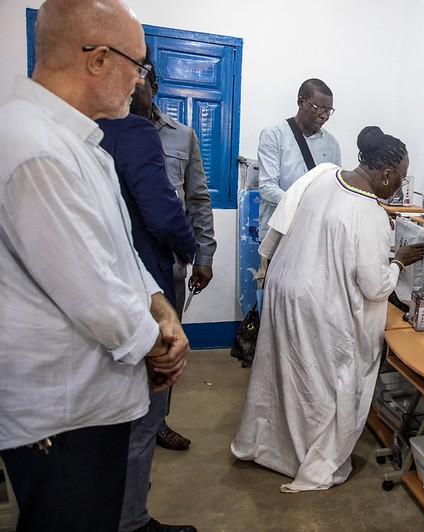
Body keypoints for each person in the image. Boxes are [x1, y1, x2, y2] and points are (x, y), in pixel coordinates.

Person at [0, 1, 189, 531]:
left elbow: (120, 255)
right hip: (62, 418)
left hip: (93, 404)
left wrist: (159, 305)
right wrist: (162, 349)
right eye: (140, 65)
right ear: (100, 60)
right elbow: (95, 297)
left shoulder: (82, 144)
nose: (141, 80)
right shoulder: (33, 146)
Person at [232, 126, 424, 492]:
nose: (399, 186)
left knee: (281, 373)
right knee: (322, 387)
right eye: (400, 177)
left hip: (284, 288)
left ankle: (265, 446)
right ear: (386, 174)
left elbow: (280, 224)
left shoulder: (323, 173)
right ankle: (310, 460)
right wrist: (398, 261)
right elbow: (375, 286)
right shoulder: (369, 213)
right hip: (319, 306)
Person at [98, 97, 198, 531]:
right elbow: (162, 212)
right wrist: (188, 248)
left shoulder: (76, 132)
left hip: (128, 279)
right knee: (144, 407)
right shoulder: (131, 132)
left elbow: (197, 196)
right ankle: (132, 521)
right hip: (145, 276)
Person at [130, 56, 217, 451]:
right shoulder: (101, 133)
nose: (135, 83)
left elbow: (197, 198)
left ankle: (158, 420)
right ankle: (129, 427)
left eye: (142, 75)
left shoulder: (181, 136)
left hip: (169, 266)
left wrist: (203, 255)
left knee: (168, 344)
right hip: (122, 264)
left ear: (156, 84)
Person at [257, 78, 341, 240]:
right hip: (279, 232)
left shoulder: (332, 144)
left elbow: (335, 190)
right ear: (300, 102)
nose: (324, 116)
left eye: (329, 110)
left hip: (315, 235)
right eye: (318, 108)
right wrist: (304, 208)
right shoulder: (274, 135)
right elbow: (267, 187)